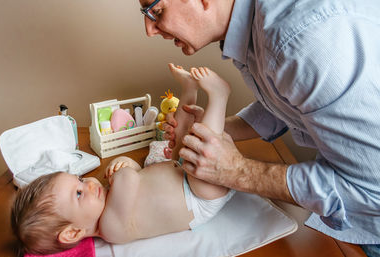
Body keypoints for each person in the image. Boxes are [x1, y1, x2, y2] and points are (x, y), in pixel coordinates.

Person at [137, 0, 380, 255]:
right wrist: (218, 128)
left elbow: (370, 187)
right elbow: (289, 96)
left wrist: (236, 171)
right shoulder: (256, 28)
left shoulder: (302, 39)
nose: (149, 29)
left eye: (157, 10)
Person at [10, 63, 235, 255]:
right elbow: (129, 178)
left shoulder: (106, 198)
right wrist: (122, 169)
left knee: (180, 142)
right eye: (78, 193)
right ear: (73, 232)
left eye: (79, 180)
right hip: (200, 198)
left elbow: (137, 173)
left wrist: (129, 163)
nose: (87, 184)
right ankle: (218, 97)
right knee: (202, 152)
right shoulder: (111, 228)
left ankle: (189, 89)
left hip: (180, 170)